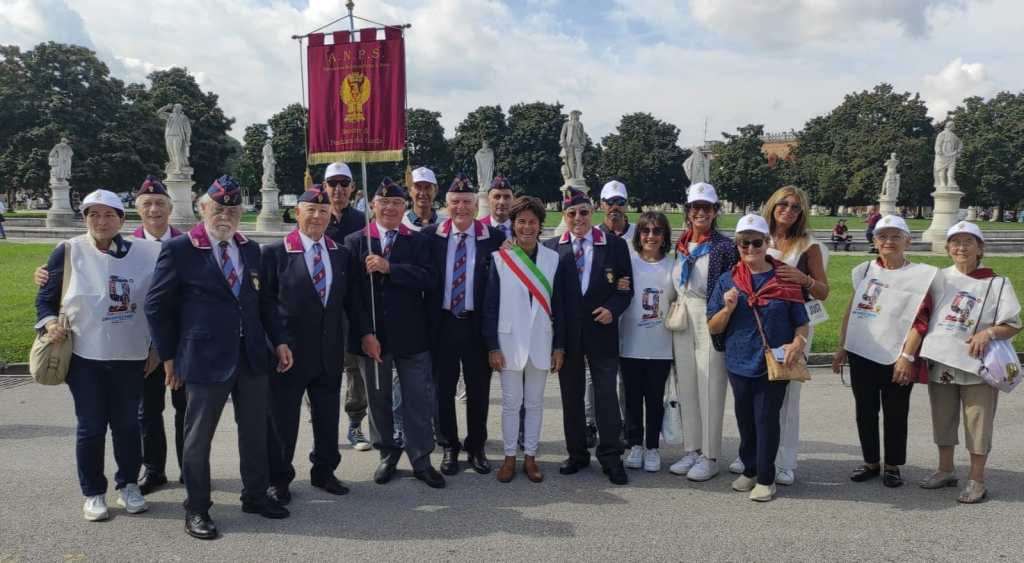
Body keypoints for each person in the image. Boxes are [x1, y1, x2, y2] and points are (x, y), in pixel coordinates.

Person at [145, 176, 294, 539]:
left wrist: (280, 341)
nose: (224, 215)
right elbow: (156, 306)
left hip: (252, 356)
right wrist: (168, 356)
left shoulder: (250, 249)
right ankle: (197, 507)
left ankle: (255, 495)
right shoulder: (181, 249)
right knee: (198, 437)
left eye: (232, 209)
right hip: (204, 357)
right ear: (202, 207)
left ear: (241, 212)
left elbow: (264, 304)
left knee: (255, 432)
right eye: (218, 208)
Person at [35, 189, 162, 521]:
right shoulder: (68, 251)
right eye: (93, 215)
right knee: (90, 427)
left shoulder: (148, 252)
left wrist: (157, 347)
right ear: (84, 218)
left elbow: (165, 303)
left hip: (131, 355)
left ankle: (128, 485)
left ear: (122, 220)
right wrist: (50, 325)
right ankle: (93, 492)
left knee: (126, 426)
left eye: (109, 215)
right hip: (84, 357)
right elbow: (45, 300)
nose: (101, 222)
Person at [344, 178, 445, 489]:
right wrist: (364, 333)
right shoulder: (356, 241)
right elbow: (352, 296)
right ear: (372, 206)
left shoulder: (417, 241)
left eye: (396, 203)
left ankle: (421, 459)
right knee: (379, 400)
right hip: (373, 338)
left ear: (405, 207)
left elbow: (429, 279)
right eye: (383, 202)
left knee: (417, 399)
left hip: (412, 336)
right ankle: (387, 452)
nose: (389, 208)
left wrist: (391, 268)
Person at [728, 186, 830, 485]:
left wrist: (804, 279)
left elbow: (823, 291)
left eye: (796, 207)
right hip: (753, 327)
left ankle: (784, 460)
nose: (788, 210)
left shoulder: (806, 245)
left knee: (786, 399)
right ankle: (753, 457)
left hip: (791, 328)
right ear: (772, 206)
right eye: (783, 204)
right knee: (752, 400)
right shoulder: (757, 236)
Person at [262, 187, 356, 507]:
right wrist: (277, 342)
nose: (317, 216)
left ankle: (324, 471)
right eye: (310, 210)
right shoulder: (274, 253)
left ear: (330, 214)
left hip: (329, 352)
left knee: (328, 417)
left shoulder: (340, 253)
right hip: (288, 353)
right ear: (297, 213)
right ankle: (278, 478)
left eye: (323, 211)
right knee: (283, 420)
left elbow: (349, 303)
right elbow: (265, 305)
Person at [708, 214, 810, 502]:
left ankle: (766, 477)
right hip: (738, 360)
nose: (749, 248)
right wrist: (727, 309)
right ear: (737, 245)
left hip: (774, 362)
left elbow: (801, 320)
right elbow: (713, 326)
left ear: (767, 243)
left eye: (756, 242)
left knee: (766, 419)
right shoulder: (728, 279)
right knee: (745, 419)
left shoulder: (785, 278)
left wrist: (798, 342)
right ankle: (750, 468)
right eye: (743, 243)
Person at [832, 215, 939, 488]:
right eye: (882, 237)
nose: (888, 242)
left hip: (898, 354)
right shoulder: (865, 270)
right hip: (862, 352)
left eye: (895, 236)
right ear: (874, 241)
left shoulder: (920, 276)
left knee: (895, 411)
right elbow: (852, 310)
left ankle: (892, 464)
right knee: (865, 409)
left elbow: (921, 320)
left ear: (907, 240)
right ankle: (870, 461)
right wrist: (842, 346)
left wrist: (908, 356)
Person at [918, 221, 1021, 503]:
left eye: (968, 242)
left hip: (978, 365)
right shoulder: (938, 278)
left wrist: (988, 333)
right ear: (948, 247)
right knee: (943, 418)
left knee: (978, 422)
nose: (960, 247)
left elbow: (1012, 325)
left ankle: (977, 480)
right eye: (955, 242)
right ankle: (945, 469)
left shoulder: (997, 283)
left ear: (980, 248)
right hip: (941, 361)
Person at [544, 187, 633, 485]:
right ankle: (577, 453)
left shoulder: (614, 245)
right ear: (564, 216)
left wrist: (613, 309)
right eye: (571, 213)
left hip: (602, 331)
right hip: (568, 336)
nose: (578, 218)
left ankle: (610, 456)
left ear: (592, 212)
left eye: (583, 212)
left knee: (605, 396)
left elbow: (625, 289)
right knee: (571, 396)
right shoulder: (553, 248)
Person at [423, 174, 505, 476]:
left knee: (478, 389)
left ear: (476, 205)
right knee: (442, 389)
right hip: (443, 323)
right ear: (447, 205)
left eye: (467, 202)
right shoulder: (431, 236)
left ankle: (476, 445)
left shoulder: (493, 238)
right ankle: (448, 445)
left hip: (476, 325)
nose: (461, 207)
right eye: (455, 202)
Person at [484, 196, 566, 482]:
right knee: (510, 403)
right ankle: (508, 457)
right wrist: (492, 346)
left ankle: (530, 457)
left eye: (532, 222)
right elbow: (490, 306)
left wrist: (560, 347)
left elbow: (561, 307)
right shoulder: (500, 259)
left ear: (540, 225)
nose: (527, 227)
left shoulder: (554, 259)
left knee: (534, 403)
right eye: (521, 222)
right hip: (508, 343)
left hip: (541, 341)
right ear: (513, 225)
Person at [668, 182, 739, 481]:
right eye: (695, 207)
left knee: (709, 385)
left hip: (708, 317)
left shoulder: (724, 247)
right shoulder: (681, 244)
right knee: (686, 385)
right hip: (682, 316)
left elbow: (732, 285)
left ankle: (710, 455)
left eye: (707, 208)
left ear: (715, 211)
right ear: (687, 211)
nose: (700, 213)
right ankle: (691, 449)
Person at [619, 212, 675, 473]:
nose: (651, 236)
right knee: (631, 399)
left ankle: (652, 446)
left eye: (657, 231)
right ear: (638, 236)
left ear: (664, 237)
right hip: (631, 343)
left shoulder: (673, 265)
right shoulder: (628, 263)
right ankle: (634, 444)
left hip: (661, 346)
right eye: (645, 231)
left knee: (654, 399)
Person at [322, 162, 371, 453]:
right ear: (324, 186)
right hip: (319, 307)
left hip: (350, 306)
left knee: (353, 367)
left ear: (352, 188)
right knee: (320, 368)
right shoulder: (315, 216)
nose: (338, 189)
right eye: (333, 184)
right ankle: (322, 424)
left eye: (344, 184)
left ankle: (355, 423)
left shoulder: (362, 220)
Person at [401, 166, 444, 232]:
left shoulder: (446, 224)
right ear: (409, 191)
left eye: (427, 187)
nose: (423, 193)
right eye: (418, 187)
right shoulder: (400, 223)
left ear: (435, 191)